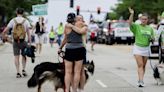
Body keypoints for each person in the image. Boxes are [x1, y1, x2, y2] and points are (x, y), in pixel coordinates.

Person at [58, 13, 86, 92]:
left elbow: (65, 38)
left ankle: (67, 90)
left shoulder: (67, 26)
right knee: (77, 72)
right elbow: (82, 29)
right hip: (79, 48)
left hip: (69, 48)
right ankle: (74, 90)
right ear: (75, 18)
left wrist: (60, 48)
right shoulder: (80, 24)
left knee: (68, 72)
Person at [128, 7, 154, 87]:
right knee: (140, 64)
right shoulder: (136, 26)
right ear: (140, 19)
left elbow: (152, 38)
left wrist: (152, 39)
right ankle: (141, 81)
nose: (144, 20)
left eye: (145, 19)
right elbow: (130, 22)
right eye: (142, 19)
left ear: (147, 20)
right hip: (138, 48)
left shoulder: (150, 28)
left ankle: (140, 79)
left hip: (146, 48)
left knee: (143, 66)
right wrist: (132, 14)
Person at [2, 8, 31, 78]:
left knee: (16, 57)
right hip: (23, 41)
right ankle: (23, 70)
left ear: (16, 12)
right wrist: (29, 42)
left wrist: (4, 37)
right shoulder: (26, 21)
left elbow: (5, 31)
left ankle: (18, 72)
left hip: (15, 41)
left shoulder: (13, 20)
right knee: (24, 56)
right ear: (23, 13)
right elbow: (28, 32)